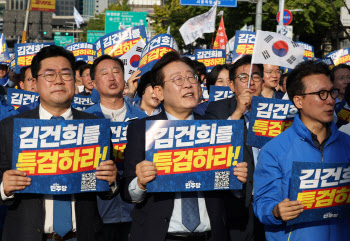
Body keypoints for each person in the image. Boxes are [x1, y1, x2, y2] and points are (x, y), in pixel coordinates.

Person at [121, 51, 248, 241]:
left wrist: (236, 182)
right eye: (178, 79)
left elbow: (230, 198)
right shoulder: (142, 130)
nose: (188, 84)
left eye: (192, 78)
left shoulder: (216, 128)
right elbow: (128, 193)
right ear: (159, 92)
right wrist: (140, 183)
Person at [0, 45, 118, 241]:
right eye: (49, 74)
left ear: (75, 80)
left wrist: (111, 180)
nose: (58, 80)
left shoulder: (94, 126)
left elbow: (105, 190)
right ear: (35, 83)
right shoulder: (10, 128)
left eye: (65, 74)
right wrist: (4, 187)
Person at [253, 61, 350, 241]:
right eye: (321, 94)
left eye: (332, 92)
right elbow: (262, 204)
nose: (330, 100)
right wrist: (276, 211)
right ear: (298, 100)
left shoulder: (347, 144)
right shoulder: (274, 150)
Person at [85, 55, 147, 241]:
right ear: (94, 83)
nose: (112, 77)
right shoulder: (85, 120)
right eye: (104, 73)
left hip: (136, 211)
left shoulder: (143, 118)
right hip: (97, 213)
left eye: (116, 72)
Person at [204, 55, 265, 241]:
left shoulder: (273, 111)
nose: (250, 83)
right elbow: (215, 146)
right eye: (243, 78)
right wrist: (239, 111)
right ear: (231, 85)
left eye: (255, 77)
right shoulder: (217, 108)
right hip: (236, 202)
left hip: (268, 200)